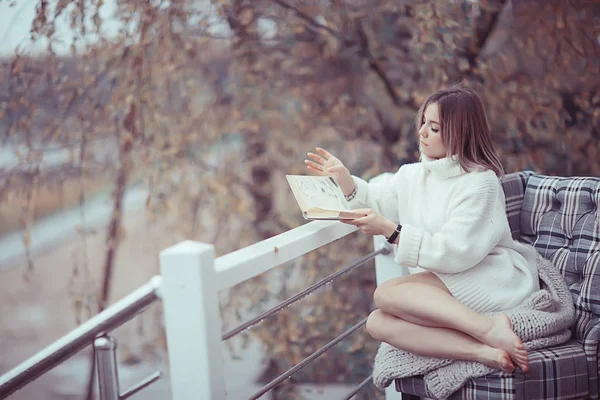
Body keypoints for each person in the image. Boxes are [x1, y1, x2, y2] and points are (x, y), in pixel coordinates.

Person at [303, 85, 540, 373]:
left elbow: (456, 252)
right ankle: (480, 350)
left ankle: (489, 328)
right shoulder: (413, 175)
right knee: (376, 322)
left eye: (435, 128)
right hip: (446, 280)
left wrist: (393, 232)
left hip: (486, 276)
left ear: (460, 132)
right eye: (423, 123)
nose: (423, 133)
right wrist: (345, 180)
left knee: (384, 295)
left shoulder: (480, 182)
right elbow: (379, 201)